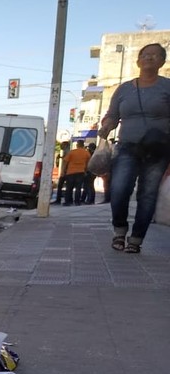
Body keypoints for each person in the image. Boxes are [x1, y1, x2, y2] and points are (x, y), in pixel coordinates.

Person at [97, 42, 170, 253]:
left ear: (162, 61)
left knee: (147, 194)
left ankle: (136, 239)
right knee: (119, 190)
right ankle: (119, 231)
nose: (149, 58)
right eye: (145, 55)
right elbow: (112, 115)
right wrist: (107, 125)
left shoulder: (166, 87)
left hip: (158, 149)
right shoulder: (124, 89)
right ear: (138, 61)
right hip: (128, 147)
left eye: (155, 55)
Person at [62, 140, 91, 204]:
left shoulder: (72, 152)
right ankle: (77, 202)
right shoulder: (86, 153)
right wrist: (86, 171)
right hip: (81, 172)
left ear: (77, 145)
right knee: (78, 188)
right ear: (83, 145)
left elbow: (65, 162)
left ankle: (68, 201)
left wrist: (63, 171)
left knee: (69, 188)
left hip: (71, 172)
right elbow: (88, 163)